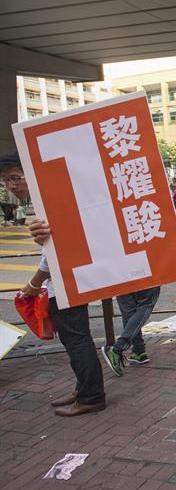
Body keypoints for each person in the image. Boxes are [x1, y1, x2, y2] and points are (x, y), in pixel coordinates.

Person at [2, 152, 106, 417]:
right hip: (65, 281)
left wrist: (33, 284)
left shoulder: (48, 201)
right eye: (5, 182)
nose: (12, 186)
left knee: (77, 340)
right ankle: (83, 389)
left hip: (66, 282)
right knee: (74, 339)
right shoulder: (43, 201)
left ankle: (92, 396)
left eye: (15, 178)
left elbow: (54, 251)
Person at [101, 286, 161, 375]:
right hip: (145, 276)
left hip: (121, 277)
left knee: (129, 312)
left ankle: (138, 350)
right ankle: (118, 348)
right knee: (145, 306)